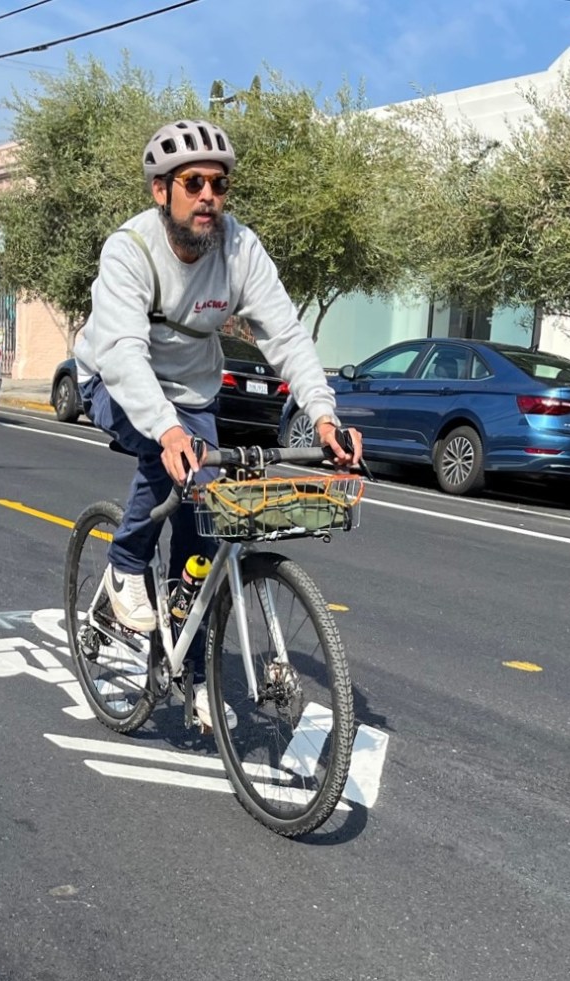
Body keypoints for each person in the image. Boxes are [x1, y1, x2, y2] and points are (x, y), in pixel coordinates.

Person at [74, 118, 363, 727]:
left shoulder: (239, 249)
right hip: (114, 380)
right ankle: (125, 569)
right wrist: (168, 428)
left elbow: (285, 335)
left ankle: (187, 662)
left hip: (194, 392)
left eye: (219, 184)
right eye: (193, 182)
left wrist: (323, 414)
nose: (209, 195)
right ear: (162, 191)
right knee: (168, 453)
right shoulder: (130, 250)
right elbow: (124, 352)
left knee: (203, 526)